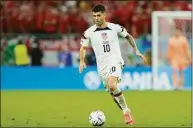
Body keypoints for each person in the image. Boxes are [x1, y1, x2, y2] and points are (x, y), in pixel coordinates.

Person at [79, 5, 146, 125]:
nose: (96, 18)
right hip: (102, 66)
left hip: (115, 61)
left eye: (99, 15)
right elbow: (83, 47)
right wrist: (81, 61)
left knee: (112, 84)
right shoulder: (88, 32)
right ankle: (124, 108)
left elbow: (128, 36)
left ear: (104, 15)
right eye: (94, 16)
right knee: (112, 91)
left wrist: (136, 50)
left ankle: (126, 111)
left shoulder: (115, 28)